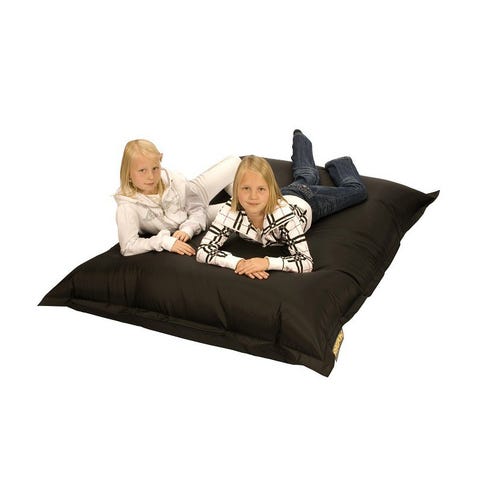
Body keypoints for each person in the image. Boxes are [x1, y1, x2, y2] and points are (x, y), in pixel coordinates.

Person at [196, 130, 367, 279]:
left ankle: (341, 163)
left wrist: (267, 262)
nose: (253, 197)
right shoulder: (230, 210)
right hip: (284, 195)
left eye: (261, 189)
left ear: (270, 190)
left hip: (307, 200)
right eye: (246, 188)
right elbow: (204, 250)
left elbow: (306, 262)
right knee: (305, 177)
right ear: (236, 190)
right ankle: (300, 139)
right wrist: (238, 263)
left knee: (356, 190)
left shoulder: (285, 217)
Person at [115, 139, 241, 256]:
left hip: (196, 194)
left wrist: (188, 228)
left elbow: (195, 207)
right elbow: (128, 246)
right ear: (128, 173)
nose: (151, 176)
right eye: (142, 170)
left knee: (235, 163)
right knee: (242, 208)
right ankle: (237, 194)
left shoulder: (172, 179)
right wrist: (165, 240)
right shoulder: (128, 206)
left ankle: (235, 190)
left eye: (155, 168)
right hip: (199, 217)